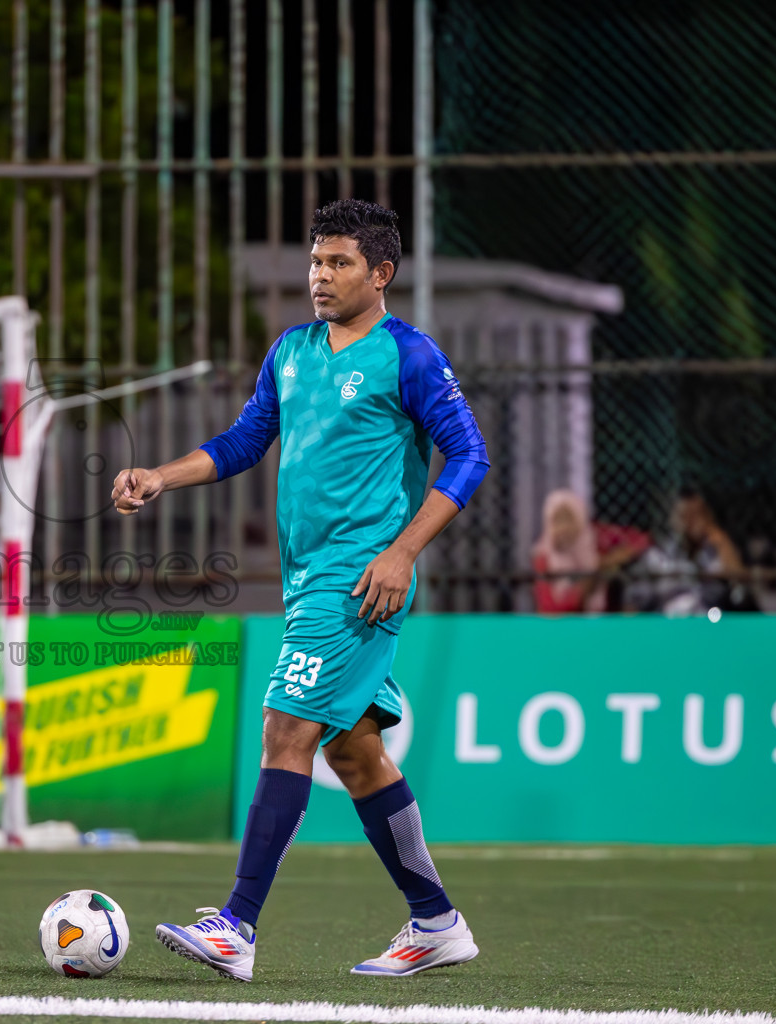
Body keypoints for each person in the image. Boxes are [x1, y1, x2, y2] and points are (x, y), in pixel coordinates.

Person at [112, 199, 491, 980]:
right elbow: (246, 440)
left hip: (358, 583)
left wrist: (402, 552)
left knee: (286, 731)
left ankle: (237, 926)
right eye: (316, 261)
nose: (320, 276)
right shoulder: (291, 349)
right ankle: (436, 921)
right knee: (355, 754)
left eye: (339, 263)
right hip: (309, 581)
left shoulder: (407, 355)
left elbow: (468, 456)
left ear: (380, 273)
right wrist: (160, 477)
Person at [530, 489, 644, 614]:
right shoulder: (543, 557)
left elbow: (640, 539)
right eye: (557, 520)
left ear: (580, 519)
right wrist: (583, 588)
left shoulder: (595, 542)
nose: (563, 528)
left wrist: (607, 561)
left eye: (568, 519)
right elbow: (550, 609)